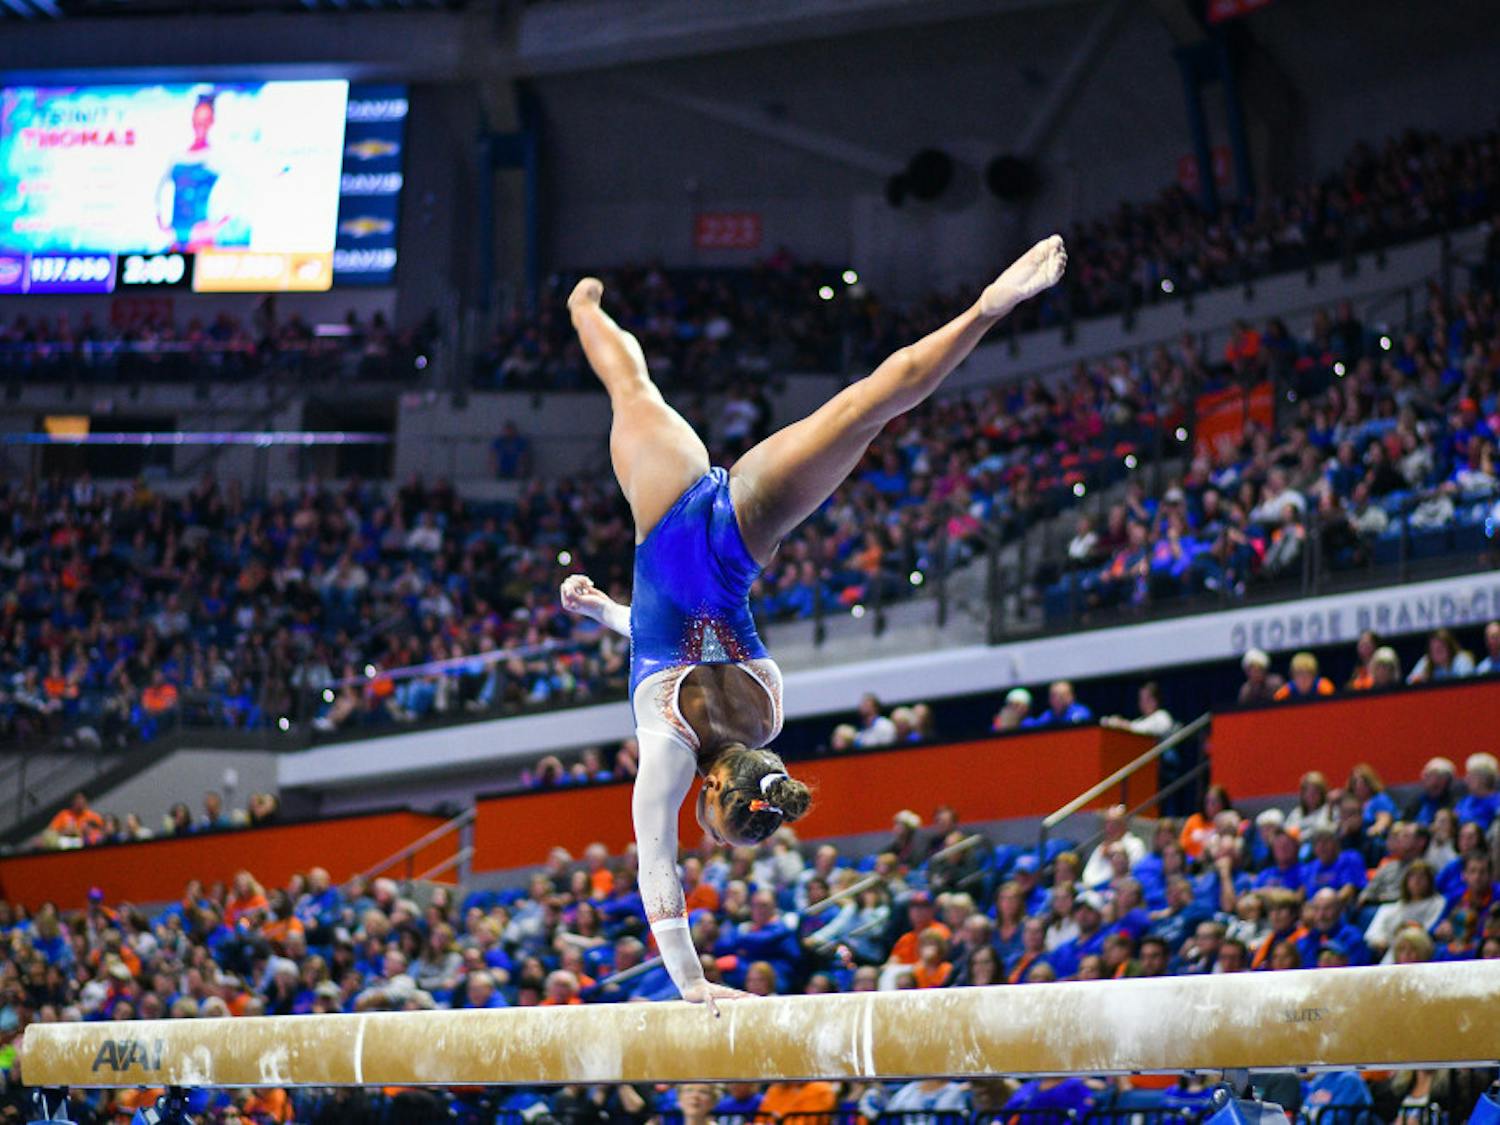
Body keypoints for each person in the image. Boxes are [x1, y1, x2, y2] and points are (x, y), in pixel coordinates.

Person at [557, 236, 1068, 1008]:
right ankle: (582, 308)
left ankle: (984, 309)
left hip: (738, 529)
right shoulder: (666, 746)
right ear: (712, 791)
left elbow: (668, 643)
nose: (695, 821)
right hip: (668, 516)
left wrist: (601, 610)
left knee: (866, 408)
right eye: (712, 822)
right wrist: (692, 984)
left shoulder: (766, 710)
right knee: (630, 388)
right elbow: (653, 863)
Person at [1099, 681, 1175, 738]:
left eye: (1147, 699)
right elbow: (1134, 727)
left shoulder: (1163, 716)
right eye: (1141, 700)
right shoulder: (1140, 720)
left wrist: (1120, 724)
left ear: (1155, 700)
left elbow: (1141, 729)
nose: (1143, 703)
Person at [1407, 627, 1475, 683]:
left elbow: (1466, 684)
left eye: (1440, 649)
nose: (1435, 653)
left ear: (1450, 647)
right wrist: (1420, 679)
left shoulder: (1462, 659)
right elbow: (1409, 682)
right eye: (1432, 650)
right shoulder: (1426, 661)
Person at [1020, 680, 1093, 728]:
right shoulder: (1048, 715)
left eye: (1062, 696)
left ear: (1071, 697)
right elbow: (1035, 725)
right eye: (1053, 696)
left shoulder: (1080, 712)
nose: (1057, 699)